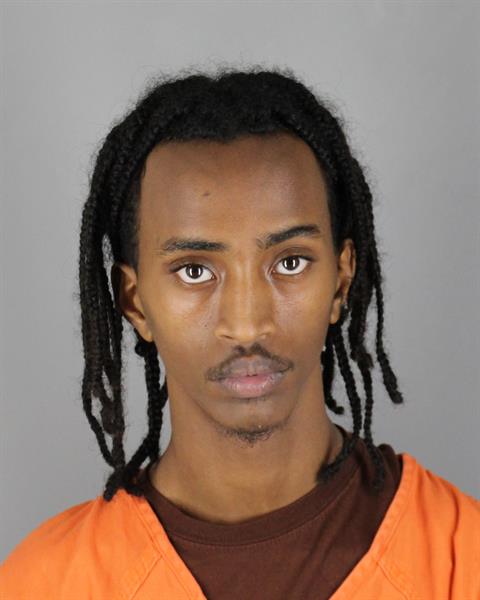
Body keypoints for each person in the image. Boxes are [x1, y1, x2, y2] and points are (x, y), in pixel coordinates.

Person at [1, 67, 478, 600]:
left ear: (341, 281)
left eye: (290, 262)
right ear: (135, 302)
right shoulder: (42, 584)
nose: (248, 325)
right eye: (194, 271)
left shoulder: (465, 559)